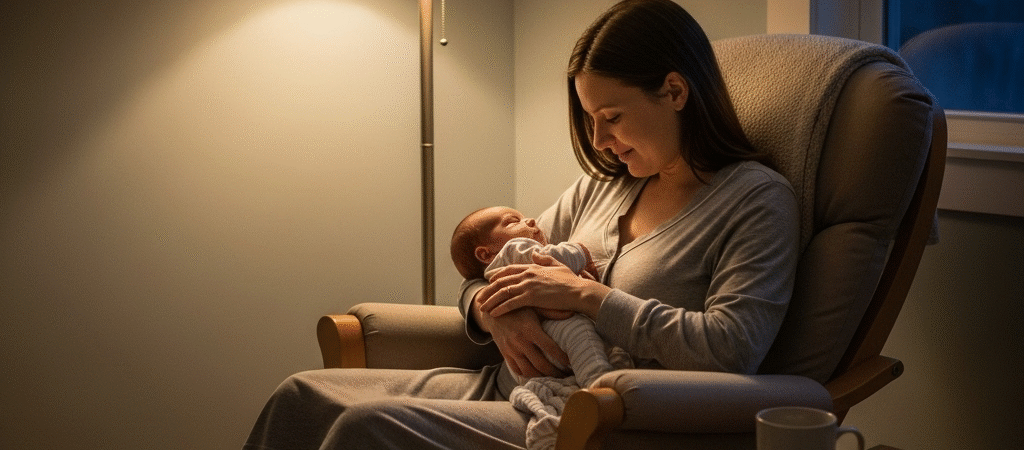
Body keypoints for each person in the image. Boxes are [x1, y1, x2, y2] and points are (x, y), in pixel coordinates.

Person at [244, 0, 799, 448]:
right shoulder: (603, 186)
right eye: (591, 119)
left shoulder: (755, 201)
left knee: (367, 430)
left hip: (589, 416)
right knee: (301, 396)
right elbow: (492, 270)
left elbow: (735, 347)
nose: (600, 141)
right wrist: (493, 315)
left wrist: (588, 297)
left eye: (612, 117)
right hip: (505, 382)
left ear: (675, 92)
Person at [451, 206, 632, 449]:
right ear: (485, 254)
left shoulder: (505, 257)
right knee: (580, 332)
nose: (532, 221)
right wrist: (581, 252)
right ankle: (597, 385)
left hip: (527, 363)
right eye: (513, 221)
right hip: (553, 325)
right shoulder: (514, 251)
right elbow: (554, 257)